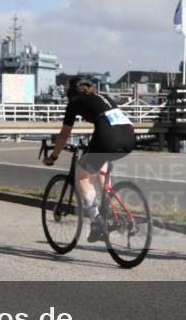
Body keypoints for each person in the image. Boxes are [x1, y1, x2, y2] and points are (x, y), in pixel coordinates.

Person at [42, 77, 135, 242]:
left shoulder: (74, 103)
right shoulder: (103, 96)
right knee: (100, 159)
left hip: (108, 135)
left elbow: (64, 134)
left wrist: (53, 156)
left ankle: (96, 220)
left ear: (73, 91)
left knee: (82, 177)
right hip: (128, 135)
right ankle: (107, 203)